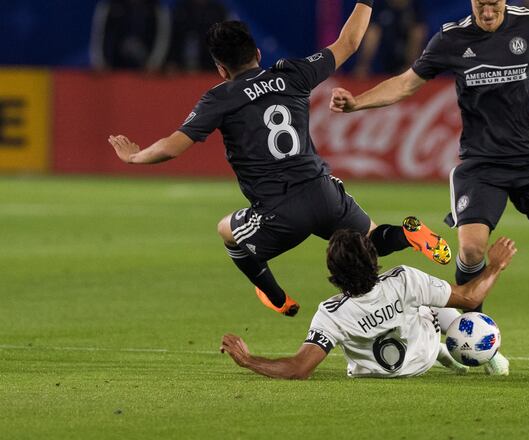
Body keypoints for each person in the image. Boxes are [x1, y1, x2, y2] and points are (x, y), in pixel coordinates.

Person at [330, 0, 529, 373]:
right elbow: (406, 84)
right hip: (482, 165)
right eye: (480, 4)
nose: (487, 11)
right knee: (473, 249)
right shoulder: (451, 38)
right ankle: (478, 341)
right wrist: (357, 103)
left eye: (493, 4)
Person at [108, 1, 451, 319]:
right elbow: (348, 43)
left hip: (280, 210)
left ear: (220, 69)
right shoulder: (292, 74)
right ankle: (409, 235)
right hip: (324, 192)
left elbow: (173, 147)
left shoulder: (220, 97)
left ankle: (274, 294)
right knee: (372, 240)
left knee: (227, 232)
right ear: (257, 53)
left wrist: (135, 157)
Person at [220, 230, 516, 379]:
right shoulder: (404, 279)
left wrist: (248, 360)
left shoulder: (330, 314)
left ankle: (445, 351)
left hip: (374, 373)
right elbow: (472, 297)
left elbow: (299, 368)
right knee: (437, 301)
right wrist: (495, 266)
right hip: (421, 358)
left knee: (424, 301)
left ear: (334, 275)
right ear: (374, 260)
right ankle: (483, 354)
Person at [353, 0, 428, 78]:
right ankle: (363, 67)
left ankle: (410, 69)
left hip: (404, 59)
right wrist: (363, 64)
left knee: (417, 32)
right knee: (373, 31)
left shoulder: (415, 7)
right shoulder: (379, 6)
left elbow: (419, 32)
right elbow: (372, 33)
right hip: (380, 58)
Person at [90, 0, 170, 71]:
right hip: (113, 71)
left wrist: (153, 64)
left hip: (145, 72)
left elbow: (162, 39)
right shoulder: (109, 6)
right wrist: (100, 63)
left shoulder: (156, 8)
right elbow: (98, 37)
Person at [165, 0, 232, 73]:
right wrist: (172, 61)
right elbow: (173, 38)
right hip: (182, 66)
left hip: (212, 66)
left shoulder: (219, 10)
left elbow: (226, 39)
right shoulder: (180, 9)